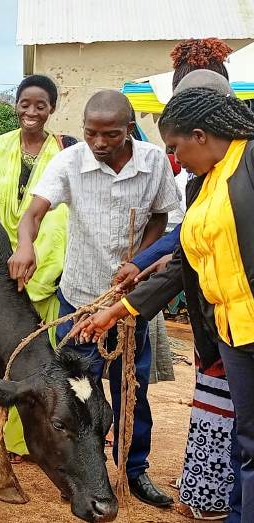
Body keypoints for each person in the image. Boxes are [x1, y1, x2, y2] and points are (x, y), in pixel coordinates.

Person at [76, 87, 254, 522]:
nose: (174, 159)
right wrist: (118, 311)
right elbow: (183, 264)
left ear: (199, 135)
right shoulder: (203, 183)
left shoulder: (250, 164)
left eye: (175, 148)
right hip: (232, 333)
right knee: (247, 441)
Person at [9, 90, 179, 508]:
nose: (100, 143)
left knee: (129, 390)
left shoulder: (154, 162)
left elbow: (165, 216)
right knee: (75, 395)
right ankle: (87, 468)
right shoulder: (70, 161)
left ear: (129, 129)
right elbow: (33, 214)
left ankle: (135, 469)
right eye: (91, 133)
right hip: (78, 303)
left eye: (111, 135)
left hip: (129, 304)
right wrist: (24, 245)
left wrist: (142, 260)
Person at [0, 74, 76, 461]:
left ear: (51, 109)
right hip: (1, 269)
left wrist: (39, 262)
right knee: (9, 362)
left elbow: (59, 218)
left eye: (41, 105)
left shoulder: (64, 154)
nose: (31, 112)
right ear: (15, 105)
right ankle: (13, 443)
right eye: (25, 103)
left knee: (43, 362)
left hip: (45, 270)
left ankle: (45, 439)